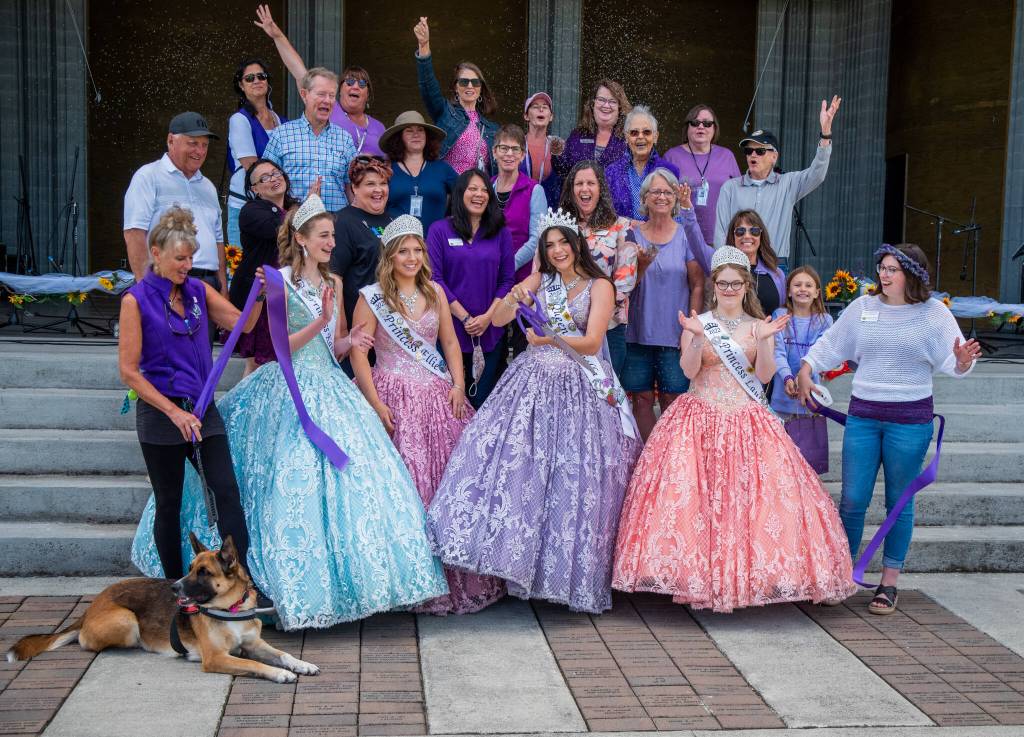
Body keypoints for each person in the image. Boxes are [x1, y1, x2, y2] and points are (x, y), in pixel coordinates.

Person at [132, 194, 449, 630]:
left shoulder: (335, 284)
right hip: (287, 389)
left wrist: (349, 343)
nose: (331, 243)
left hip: (330, 388)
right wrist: (314, 323)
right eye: (323, 235)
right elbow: (279, 349)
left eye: (333, 236)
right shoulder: (279, 280)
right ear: (300, 239)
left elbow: (332, 344)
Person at [613, 246, 856, 612]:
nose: (728, 289)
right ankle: (690, 575)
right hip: (698, 415)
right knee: (691, 500)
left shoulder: (760, 326)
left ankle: (749, 576)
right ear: (715, 286)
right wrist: (695, 337)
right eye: (722, 283)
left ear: (746, 287)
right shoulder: (699, 321)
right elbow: (689, 371)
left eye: (735, 283)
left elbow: (762, 377)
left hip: (746, 417)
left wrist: (763, 341)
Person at [427, 211, 641, 614]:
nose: (558, 251)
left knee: (571, 476)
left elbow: (593, 342)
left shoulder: (600, 286)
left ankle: (563, 573)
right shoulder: (543, 282)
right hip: (532, 384)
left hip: (582, 388)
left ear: (577, 244)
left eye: (564, 242)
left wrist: (548, 337)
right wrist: (523, 287)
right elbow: (504, 317)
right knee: (525, 472)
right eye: (550, 246)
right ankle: (522, 565)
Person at [798, 243, 982, 615]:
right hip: (863, 416)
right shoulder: (862, 308)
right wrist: (806, 367)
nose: (884, 275)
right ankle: (842, 574)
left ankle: (888, 583)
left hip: (910, 421)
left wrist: (962, 362)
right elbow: (831, 345)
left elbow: (954, 361)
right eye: (881, 268)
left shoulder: (933, 314)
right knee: (852, 499)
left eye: (892, 269)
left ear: (912, 275)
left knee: (900, 502)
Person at [350, 215, 506, 615]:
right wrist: (373, 401)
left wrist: (457, 384)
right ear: (390, 255)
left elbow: (452, 344)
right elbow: (359, 354)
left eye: (417, 250)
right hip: (391, 392)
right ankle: (405, 577)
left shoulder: (435, 292)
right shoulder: (371, 297)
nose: (412, 257)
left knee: (447, 482)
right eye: (403, 250)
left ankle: (446, 574)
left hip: (437, 396)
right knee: (401, 487)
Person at [119, 206, 262, 583]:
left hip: (203, 410)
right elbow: (129, 371)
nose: (187, 265)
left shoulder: (199, 289)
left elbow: (243, 323)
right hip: (162, 414)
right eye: (180, 258)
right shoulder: (135, 300)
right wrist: (173, 413)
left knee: (227, 492)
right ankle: (172, 589)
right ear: (156, 253)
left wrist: (263, 289)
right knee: (169, 504)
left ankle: (241, 581)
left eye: (191, 258)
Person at [622, 169, 705, 440]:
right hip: (637, 333)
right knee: (641, 400)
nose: (661, 196)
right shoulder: (632, 235)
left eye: (667, 191)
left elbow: (698, 284)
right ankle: (648, 458)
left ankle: (668, 460)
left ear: (675, 198)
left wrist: (691, 328)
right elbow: (623, 288)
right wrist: (642, 267)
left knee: (673, 400)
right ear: (644, 198)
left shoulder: (685, 236)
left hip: (675, 335)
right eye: (655, 192)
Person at [714, 96, 842, 266]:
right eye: (748, 150)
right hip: (737, 264)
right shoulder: (730, 188)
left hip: (774, 264)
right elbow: (720, 232)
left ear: (774, 157)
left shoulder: (787, 184)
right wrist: (726, 264)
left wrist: (825, 135)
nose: (753, 154)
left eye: (760, 151)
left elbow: (817, 174)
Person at [426, 170, 514, 409]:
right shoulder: (439, 231)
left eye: (485, 190)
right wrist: (464, 317)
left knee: (480, 402)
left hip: (489, 331)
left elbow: (507, 280)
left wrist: (488, 318)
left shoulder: (501, 232)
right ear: (459, 193)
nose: (479, 194)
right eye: (472, 189)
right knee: (449, 402)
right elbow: (435, 278)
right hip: (449, 329)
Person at [254, 4, 385, 155]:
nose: (355, 86)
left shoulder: (379, 127)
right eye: (349, 82)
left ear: (368, 94)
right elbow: (299, 72)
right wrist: (278, 36)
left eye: (362, 84)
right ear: (339, 90)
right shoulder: (328, 107)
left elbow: (388, 164)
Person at [124, 112, 226, 294]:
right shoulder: (148, 176)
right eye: (193, 143)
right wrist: (145, 288)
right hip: (167, 280)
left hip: (210, 284)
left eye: (204, 145)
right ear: (171, 140)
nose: (200, 151)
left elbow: (218, 241)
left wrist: (223, 287)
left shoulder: (208, 186)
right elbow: (134, 233)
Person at [558, 161, 638, 378]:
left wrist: (594, 314)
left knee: (608, 395)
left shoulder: (621, 226)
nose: (585, 189)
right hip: (566, 326)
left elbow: (625, 280)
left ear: (601, 188)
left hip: (609, 327)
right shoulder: (558, 227)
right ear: (571, 189)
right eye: (579, 183)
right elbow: (544, 273)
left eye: (591, 183)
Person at [230, 159, 298, 374]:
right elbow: (281, 231)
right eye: (265, 178)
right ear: (255, 189)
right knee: (258, 362)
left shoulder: (293, 208)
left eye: (276, 172)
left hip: (290, 293)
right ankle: (246, 407)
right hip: (260, 296)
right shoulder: (251, 211)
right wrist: (305, 212)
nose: (274, 178)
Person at [263, 67, 357, 212]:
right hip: (293, 223)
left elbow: (351, 186)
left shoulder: (345, 139)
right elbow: (266, 181)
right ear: (304, 94)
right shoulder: (281, 135)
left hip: (335, 225)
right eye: (321, 94)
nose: (327, 100)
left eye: (331, 96)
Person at [413, 16, 499, 174]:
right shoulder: (445, 112)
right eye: (464, 82)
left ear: (481, 88)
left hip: (478, 194)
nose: (470, 86)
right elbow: (427, 85)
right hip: (449, 193)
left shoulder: (493, 129)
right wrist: (424, 46)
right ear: (455, 87)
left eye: (475, 82)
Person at [491, 124, 547, 358]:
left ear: (523, 155)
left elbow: (537, 239)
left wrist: (507, 265)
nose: (509, 154)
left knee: (523, 342)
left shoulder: (534, 190)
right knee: (495, 341)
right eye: (504, 148)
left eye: (515, 149)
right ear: (494, 152)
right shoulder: (486, 187)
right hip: (491, 279)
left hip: (523, 280)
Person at [770, 266, 833, 473]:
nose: (802, 289)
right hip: (782, 395)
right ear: (788, 291)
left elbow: (822, 354)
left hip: (810, 396)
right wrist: (788, 377)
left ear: (817, 292)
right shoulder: (780, 315)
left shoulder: (824, 320)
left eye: (808, 285)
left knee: (806, 457)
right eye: (797, 285)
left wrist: (804, 376)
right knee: (781, 454)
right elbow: (777, 352)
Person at [330, 156, 394, 348]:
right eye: (370, 184)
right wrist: (340, 331)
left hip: (392, 327)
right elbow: (334, 279)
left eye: (383, 183)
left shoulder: (393, 221)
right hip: (359, 327)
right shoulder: (341, 222)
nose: (378, 190)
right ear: (354, 188)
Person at [226, 58, 284, 249]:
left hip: (276, 206)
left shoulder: (281, 121)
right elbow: (252, 167)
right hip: (246, 206)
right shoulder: (239, 120)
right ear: (241, 85)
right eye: (250, 78)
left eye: (261, 76)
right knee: (243, 268)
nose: (257, 81)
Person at [662, 104, 740, 246]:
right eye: (695, 123)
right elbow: (661, 197)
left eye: (707, 123)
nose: (701, 127)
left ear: (714, 128)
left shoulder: (727, 156)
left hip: (719, 237)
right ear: (687, 128)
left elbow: (738, 198)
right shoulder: (671, 156)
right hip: (681, 237)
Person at [381, 111, 457, 233]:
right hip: (397, 243)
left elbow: (465, 194)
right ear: (399, 138)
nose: (416, 134)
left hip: (434, 242)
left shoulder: (443, 168)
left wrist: (455, 224)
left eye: (420, 130)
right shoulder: (387, 169)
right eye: (409, 131)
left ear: (427, 136)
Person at [604, 106, 680, 220]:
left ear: (655, 137)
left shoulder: (670, 171)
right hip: (621, 237)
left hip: (657, 237)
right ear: (626, 137)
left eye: (646, 132)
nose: (640, 136)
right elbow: (606, 213)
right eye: (634, 133)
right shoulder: (611, 172)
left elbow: (675, 216)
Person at [556, 79, 631, 180]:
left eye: (612, 101)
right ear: (592, 104)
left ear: (620, 108)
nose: (606, 105)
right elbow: (561, 170)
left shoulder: (628, 139)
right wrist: (557, 152)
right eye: (601, 100)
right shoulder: (578, 135)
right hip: (581, 195)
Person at [724, 210, 786, 316]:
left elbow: (783, 313)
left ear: (761, 236)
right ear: (732, 236)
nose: (747, 236)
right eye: (740, 231)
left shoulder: (777, 274)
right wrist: (688, 211)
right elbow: (698, 245)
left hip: (769, 332)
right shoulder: (723, 270)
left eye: (754, 231)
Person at [522, 92, 564, 207]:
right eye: (535, 107)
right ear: (526, 116)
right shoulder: (516, 146)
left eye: (545, 107)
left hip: (550, 215)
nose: (541, 109)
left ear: (551, 117)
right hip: (520, 212)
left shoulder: (558, 147)